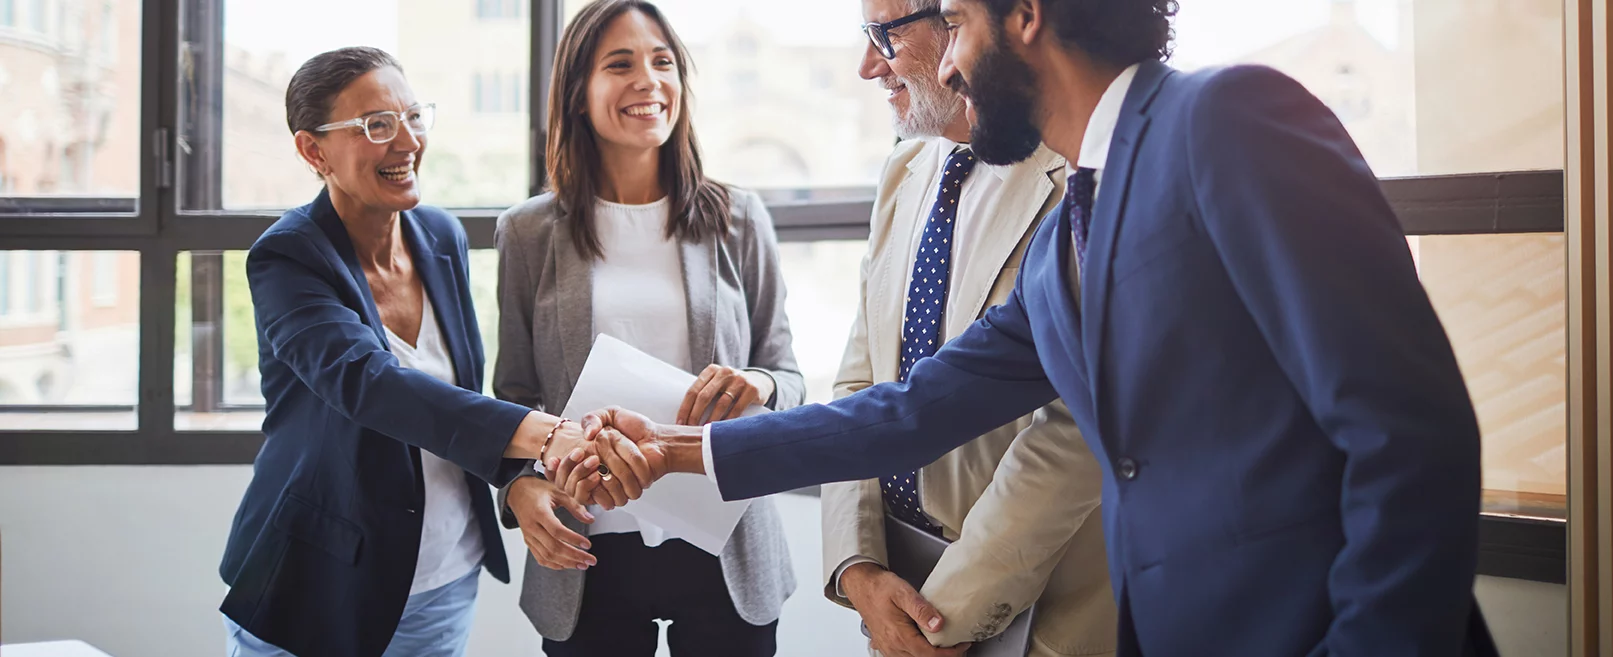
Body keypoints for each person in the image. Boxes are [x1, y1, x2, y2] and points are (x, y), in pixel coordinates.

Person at [562, 0, 1503, 654]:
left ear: (1026, 17)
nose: (951, 63)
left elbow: (1408, 436)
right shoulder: (1069, 234)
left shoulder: (1227, 119)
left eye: (959, 24)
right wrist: (682, 448)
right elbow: (905, 412)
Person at [218, 46, 604, 657]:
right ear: (313, 151)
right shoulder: (288, 257)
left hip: (443, 576)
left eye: (413, 116)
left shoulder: (440, 235)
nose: (406, 141)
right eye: (376, 125)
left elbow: (456, 396)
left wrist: (516, 478)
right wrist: (545, 435)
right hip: (320, 579)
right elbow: (369, 384)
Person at [491, 2, 800, 656]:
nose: (648, 80)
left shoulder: (738, 217)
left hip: (723, 542)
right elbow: (514, 395)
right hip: (586, 544)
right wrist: (518, 485)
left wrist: (758, 383)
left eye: (662, 62)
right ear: (578, 92)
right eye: (620, 64)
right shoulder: (527, 232)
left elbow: (788, 373)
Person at [823, 0, 1114, 655]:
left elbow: (1075, 427)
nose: (869, 66)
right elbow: (860, 378)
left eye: (884, 37)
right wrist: (857, 566)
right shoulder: (902, 170)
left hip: (1044, 606)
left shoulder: (1078, 173)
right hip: (896, 580)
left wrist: (942, 617)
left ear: (959, 22)